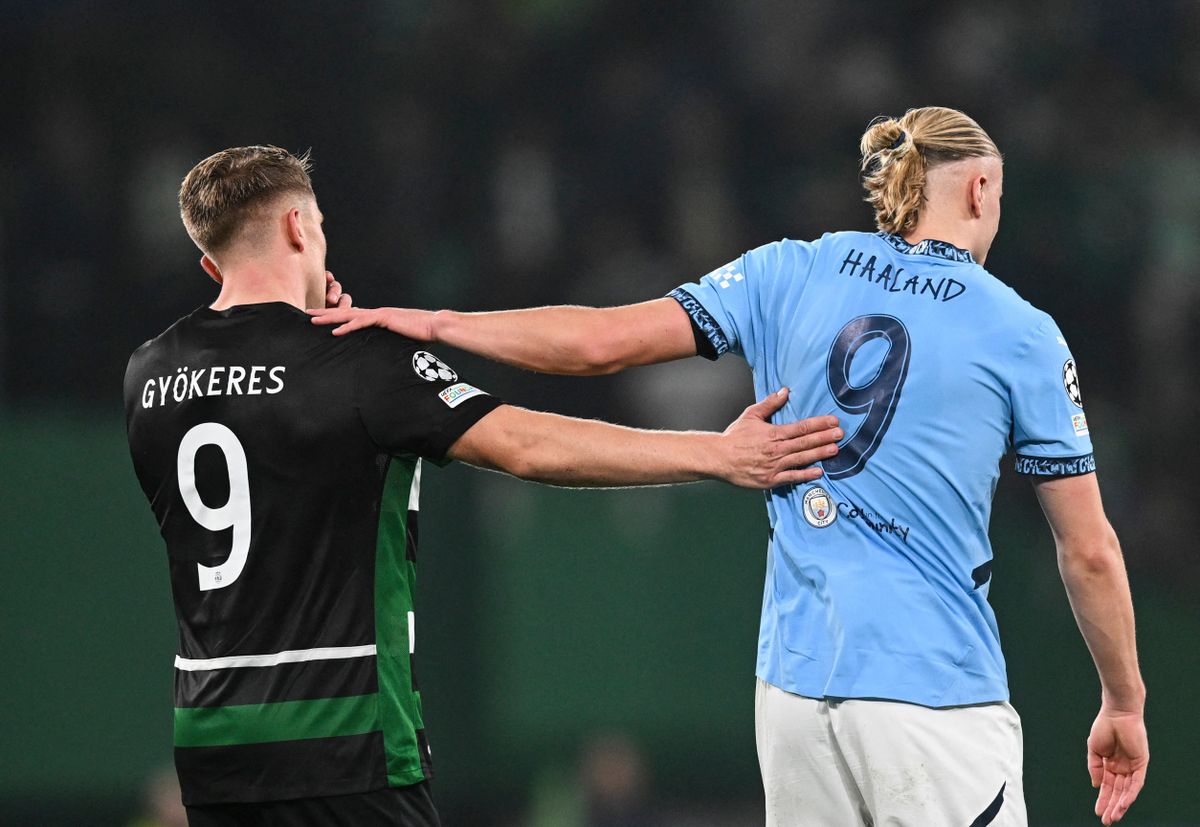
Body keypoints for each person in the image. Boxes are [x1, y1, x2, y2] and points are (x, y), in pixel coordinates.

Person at [310, 107, 1149, 826]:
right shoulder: (1022, 331)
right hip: (932, 692)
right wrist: (1123, 701)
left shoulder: (791, 267)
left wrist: (437, 322)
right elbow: (1089, 550)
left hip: (791, 695)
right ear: (979, 188)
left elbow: (601, 342)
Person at [123, 145, 841, 827]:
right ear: (296, 225)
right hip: (343, 738)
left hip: (212, 743)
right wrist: (715, 453)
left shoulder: (149, 374)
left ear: (208, 261)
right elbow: (528, 447)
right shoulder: (358, 363)